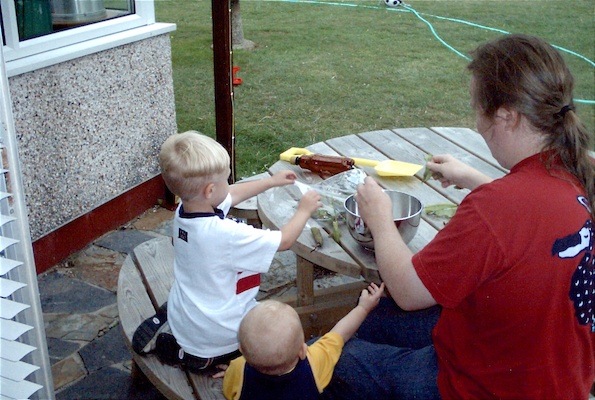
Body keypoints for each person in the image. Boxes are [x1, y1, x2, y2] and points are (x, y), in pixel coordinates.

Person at [322, 34, 595, 399]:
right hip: (554, 378)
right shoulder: (577, 171)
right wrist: (472, 178)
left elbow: (408, 290)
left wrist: (380, 217)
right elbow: (529, 217)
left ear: (505, 116)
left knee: (326, 357)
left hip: (481, 388)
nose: (478, 123)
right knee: (372, 318)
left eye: (476, 108)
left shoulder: (495, 207)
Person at [133, 130, 322, 372]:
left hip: (193, 309)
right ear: (210, 191)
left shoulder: (185, 211)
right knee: (272, 332)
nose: (229, 184)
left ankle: (173, 325)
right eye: (226, 179)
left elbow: (229, 195)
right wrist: (304, 210)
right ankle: (198, 360)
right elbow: (284, 241)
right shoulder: (225, 235)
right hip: (220, 332)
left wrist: (270, 182)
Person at [222, 282, 385, 399]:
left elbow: (230, 392)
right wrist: (363, 308)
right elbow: (340, 333)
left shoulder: (238, 369)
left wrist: (232, 373)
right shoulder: (314, 364)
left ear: (241, 350)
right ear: (302, 350)